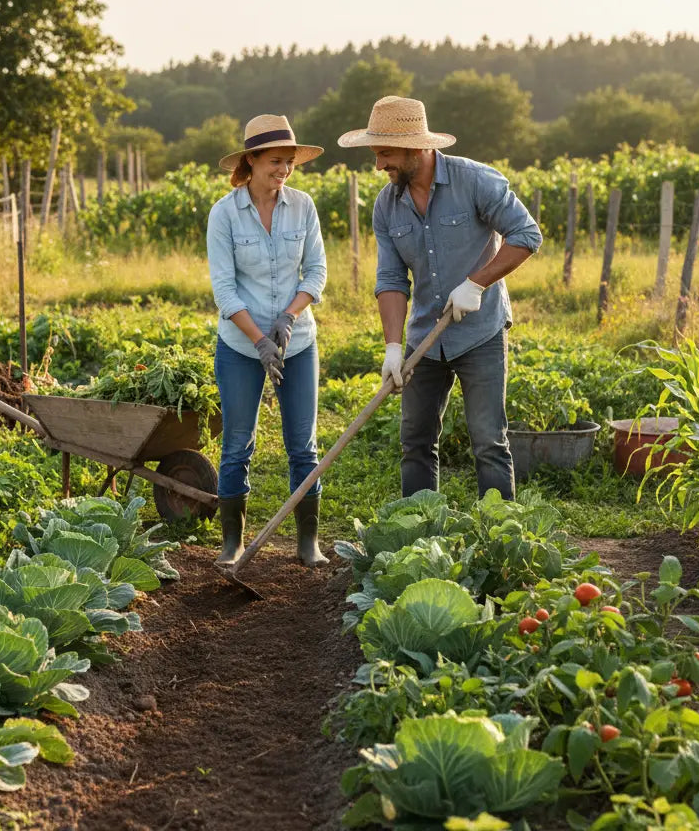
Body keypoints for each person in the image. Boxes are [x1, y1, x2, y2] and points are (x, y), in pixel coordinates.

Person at [337, 96, 542, 500]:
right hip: (424, 340)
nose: (379, 165)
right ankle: (419, 541)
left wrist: (477, 283)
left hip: (479, 333)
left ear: (416, 148)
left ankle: (500, 542)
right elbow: (392, 278)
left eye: (385, 153)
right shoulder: (386, 206)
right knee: (415, 444)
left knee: (488, 442)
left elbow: (526, 235)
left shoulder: (475, 181)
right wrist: (393, 346)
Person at [207, 115, 329, 568]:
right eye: (276, 161)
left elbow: (315, 271)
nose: (284, 170)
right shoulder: (224, 213)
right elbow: (225, 290)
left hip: (297, 342)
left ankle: (307, 542)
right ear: (252, 161)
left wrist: (288, 316)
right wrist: (259, 339)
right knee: (237, 443)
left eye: (290, 162)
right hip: (241, 346)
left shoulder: (303, 207)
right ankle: (232, 543)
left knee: (303, 444)